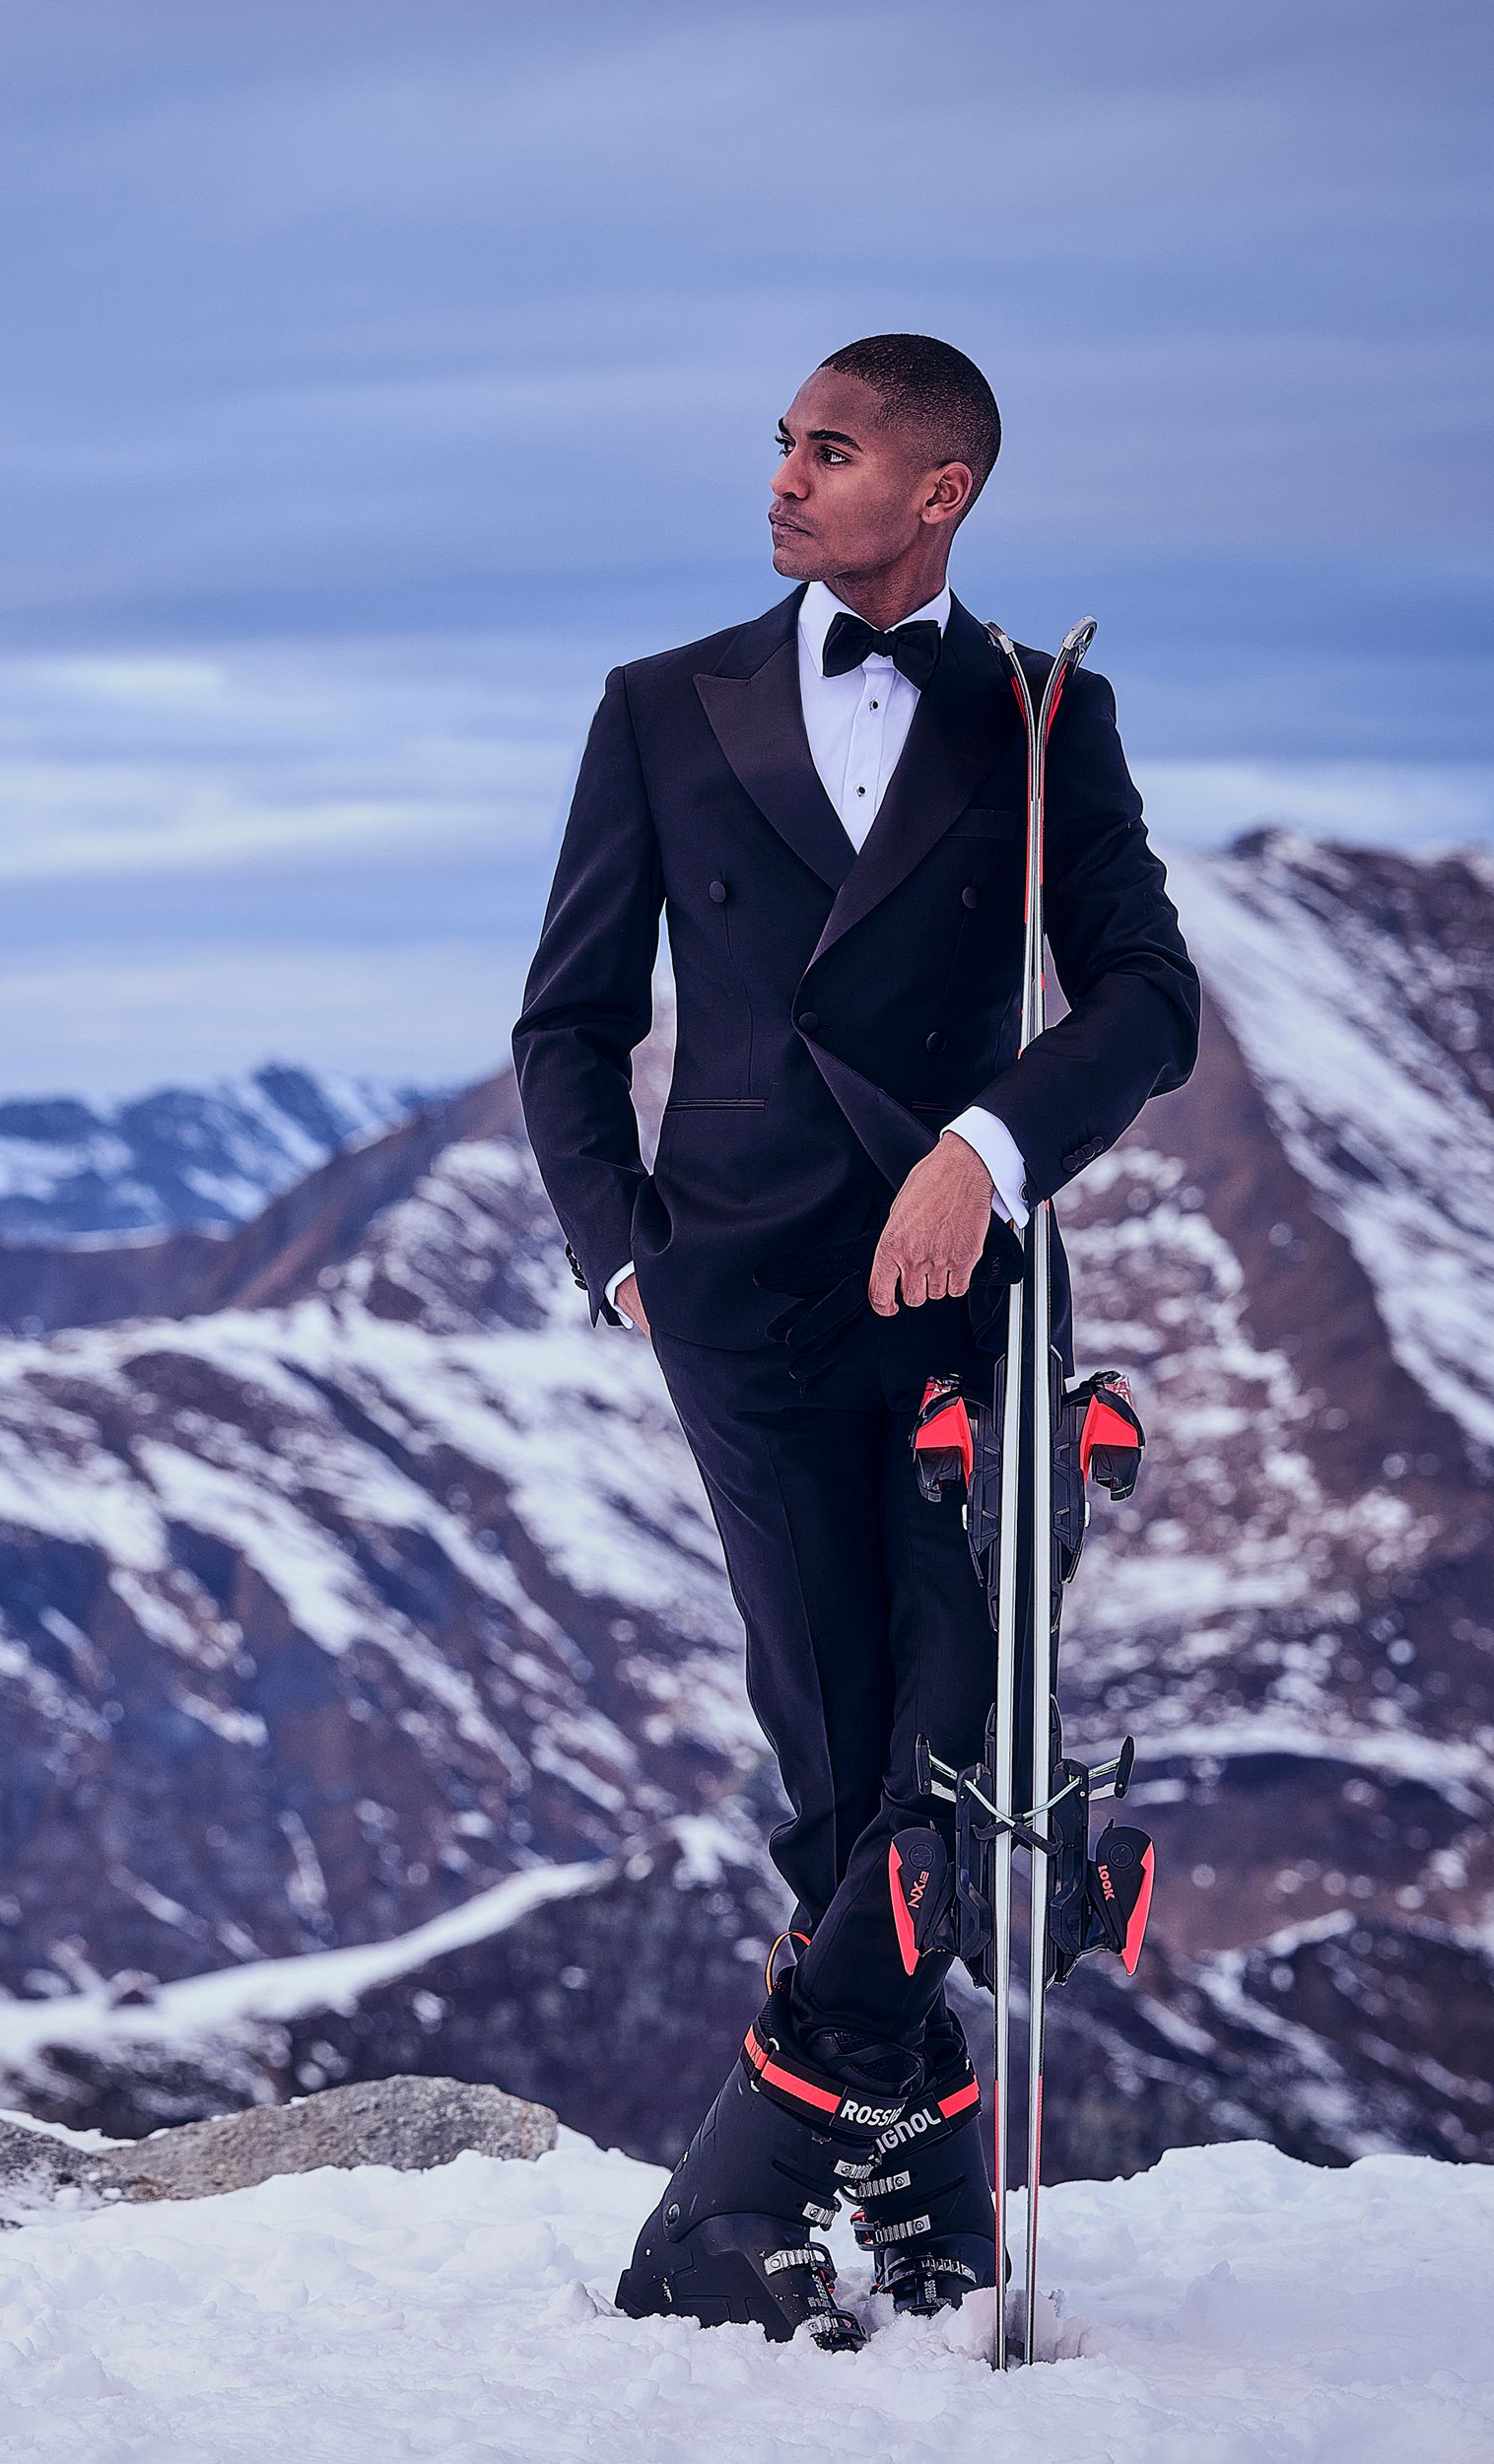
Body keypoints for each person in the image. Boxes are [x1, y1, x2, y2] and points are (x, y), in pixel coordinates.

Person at [511, 334, 1199, 2347]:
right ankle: (915, 2180)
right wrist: (618, 1252)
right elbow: (564, 1018)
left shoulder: (1044, 716)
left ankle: (752, 2196)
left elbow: (1145, 1000)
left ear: (940, 489)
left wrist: (983, 1148)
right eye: (780, 446)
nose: (783, 480)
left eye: (829, 449)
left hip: (965, 1301)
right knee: (833, 1742)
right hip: (731, 1297)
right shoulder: (659, 707)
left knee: (942, 1730)